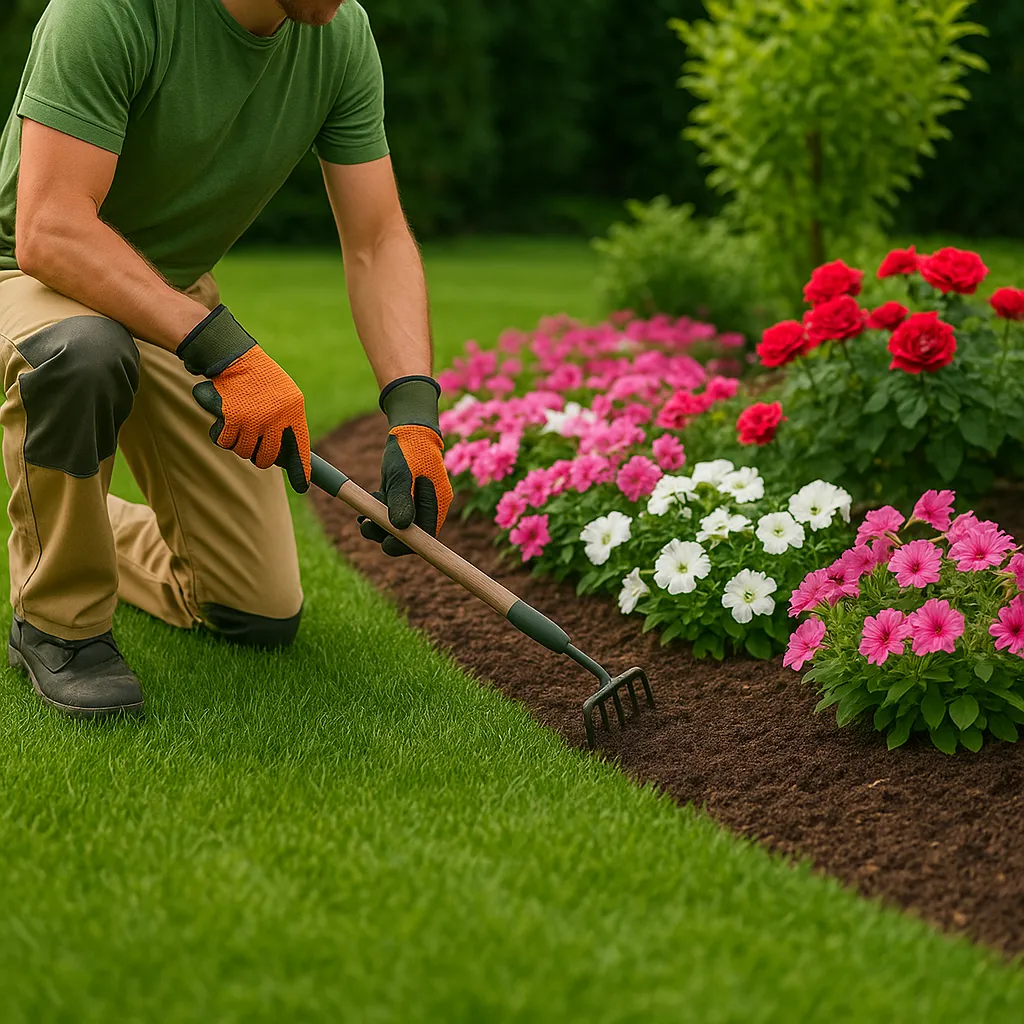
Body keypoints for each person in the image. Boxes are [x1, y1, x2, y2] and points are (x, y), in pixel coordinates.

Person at [0, 0, 453, 719]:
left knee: (256, 610)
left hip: (169, 295)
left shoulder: (339, 34)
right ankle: (59, 627)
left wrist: (414, 413)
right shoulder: (109, 11)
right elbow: (50, 228)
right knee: (82, 351)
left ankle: (83, 523)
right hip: (28, 280)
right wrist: (226, 353)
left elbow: (376, 239)